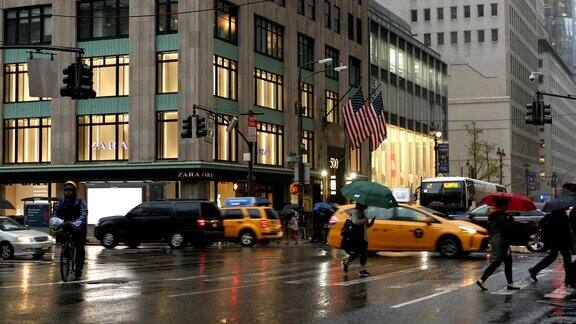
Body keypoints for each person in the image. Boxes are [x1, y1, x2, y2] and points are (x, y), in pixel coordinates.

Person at [476, 196, 519, 290]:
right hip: (502, 241)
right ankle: (483, 279)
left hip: (496, 240)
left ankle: (482, 280)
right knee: (499, 262)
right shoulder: (501, 215)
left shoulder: (495, 214)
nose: (508, 206)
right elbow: (507, 227)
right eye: (507, 204)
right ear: (503, 205)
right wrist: (511, 218)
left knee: (504, 262)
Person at [529, 207, 574, 288]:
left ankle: (534, 270)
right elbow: (567, 232)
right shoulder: (563, 217)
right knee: (567, 259)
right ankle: (569, 279)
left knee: (552, 257)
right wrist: (571, 245)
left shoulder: (551, 216)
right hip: (562, 241)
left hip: (554, 241)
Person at [53, 181, 88, 280]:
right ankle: (66, 257)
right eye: (66, 190)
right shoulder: (61, 201)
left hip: (78, 227)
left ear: (74, 191)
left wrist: (77, 222)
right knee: (64, 242)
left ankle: (78, 268)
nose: (68, 192)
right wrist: (56, 221)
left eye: (70, 190)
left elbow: (84, 213)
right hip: (65, 224)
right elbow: (55, 213)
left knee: (80, 247)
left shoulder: (80, 202)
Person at [341, 203, 375, 277]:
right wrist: (365, 219)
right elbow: (355, 221)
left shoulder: (361, 212)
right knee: (363, 252)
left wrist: (370, 224)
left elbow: (363, 226)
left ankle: (346, 263)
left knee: (360, 252)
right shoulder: (356, 211)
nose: (366, 206)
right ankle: (362, 270)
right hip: (358, 237)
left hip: (363, 236)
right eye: (365, 205)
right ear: (361, 205)